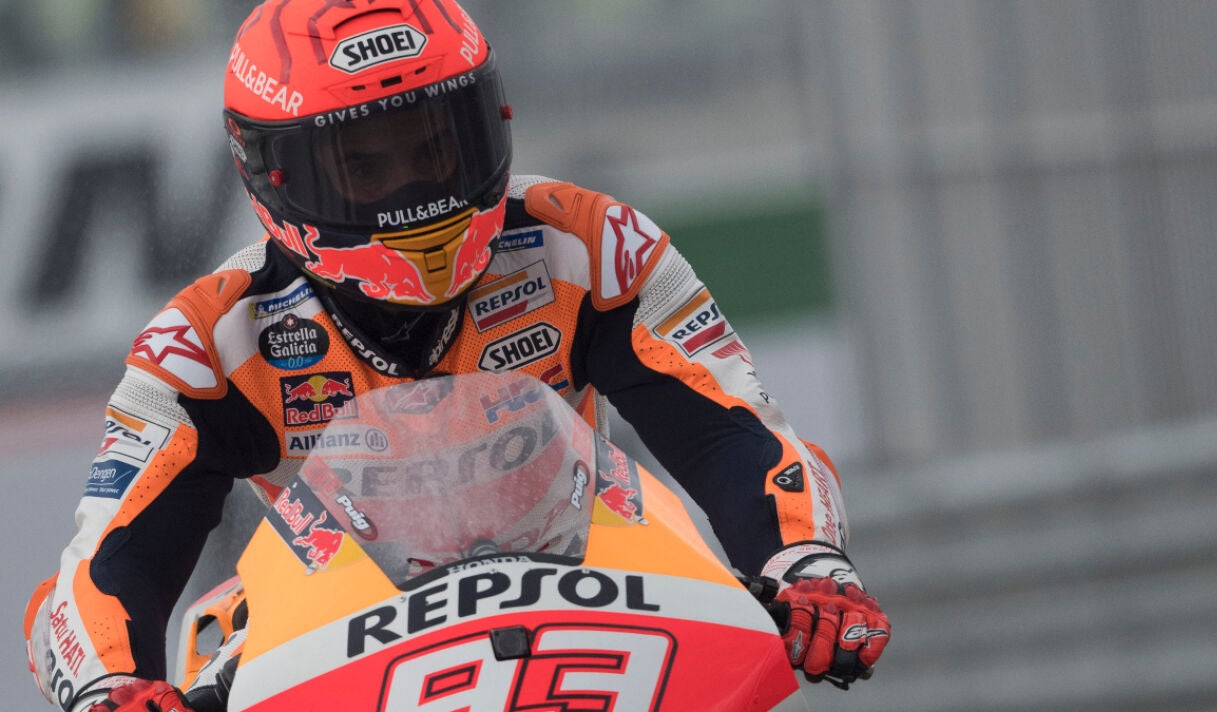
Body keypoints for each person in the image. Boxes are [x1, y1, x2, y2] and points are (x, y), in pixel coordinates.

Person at [22, 1, 890, 710]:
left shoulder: (590, 244)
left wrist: (805, 567)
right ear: (269, 172)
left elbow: (735, 431)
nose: (413, 191)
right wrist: (111, 688)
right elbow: (105, 564)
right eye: (363, 166)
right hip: (321, 644)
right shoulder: (205, 343)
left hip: (586, 603)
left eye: (436, 145)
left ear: (490, 120)